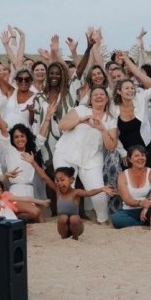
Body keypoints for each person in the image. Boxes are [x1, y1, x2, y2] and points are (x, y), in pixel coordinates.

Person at [52, 85, 119, 224]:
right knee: (65, 186)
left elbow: (111, 146)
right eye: (95, 94)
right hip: (66, 153)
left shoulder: (110, 120)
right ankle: (67, 220)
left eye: (102, 94)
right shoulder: (80, 110)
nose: (99, 96)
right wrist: (80, 120)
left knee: (99, 193)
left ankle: (102, 219)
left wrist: (102, 129)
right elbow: (62, 125)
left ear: (107, 99)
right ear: (90, 99)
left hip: (92, 158)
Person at [34, 166, 113, 239]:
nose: (60, 183)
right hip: (63, 227)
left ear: (71, 180)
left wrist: (102, 189)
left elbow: (89, 193)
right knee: (63, 217)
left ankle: (75, 238)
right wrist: (32, 162)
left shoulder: (76, 192)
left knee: (74, 218)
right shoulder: (57, 190)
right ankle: (64, 238)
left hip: (77, 227)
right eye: (57, 180)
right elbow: (44, 177)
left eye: (62, 180)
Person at [112, 145, 151, 229]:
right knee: (116, 219)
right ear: (130, 159)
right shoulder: (123, 175)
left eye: (143, 155)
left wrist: (147, 205)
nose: (141, 158)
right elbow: (126, 199)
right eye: (137, 156)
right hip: (130, 211)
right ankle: (142, 223)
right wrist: (140, 203)